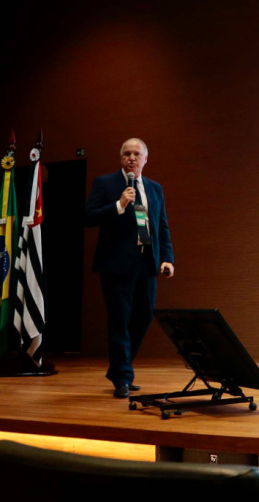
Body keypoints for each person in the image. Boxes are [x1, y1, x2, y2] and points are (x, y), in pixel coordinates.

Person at [84, 138, 174, 398]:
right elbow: (89, 217)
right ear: (121, 158)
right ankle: (123, 377)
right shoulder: (105, 183)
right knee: (120, 320)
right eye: (127, 153)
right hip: (117, 264)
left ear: (145, 159)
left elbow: (161, 226)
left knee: (143, 317)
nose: (132, 158)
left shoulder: (155, 188)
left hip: (146, 262)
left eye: (137, 154)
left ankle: (120, 369)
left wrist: (166, 258)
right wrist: (119, 205)